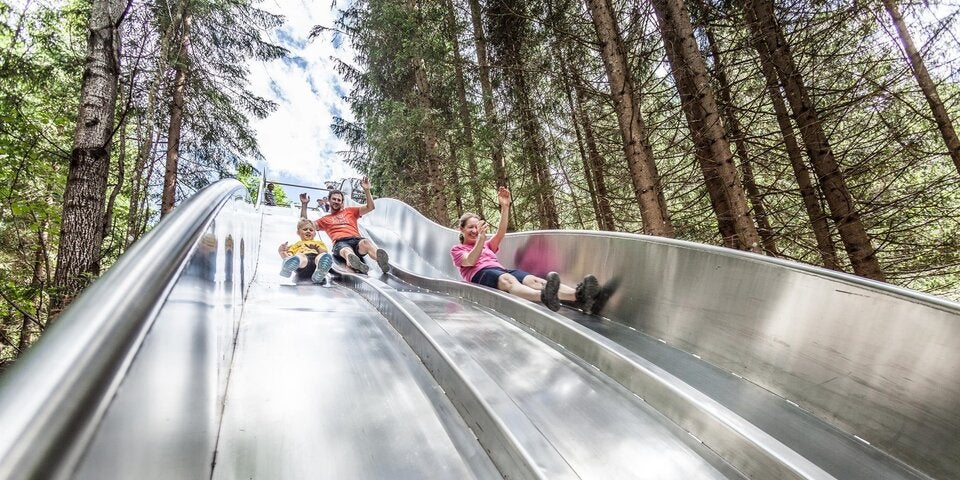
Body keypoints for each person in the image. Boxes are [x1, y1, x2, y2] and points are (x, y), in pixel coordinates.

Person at [451, 186, 600, 312]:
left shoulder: (487, 245)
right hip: (480, 274)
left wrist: (505, 207)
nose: (475, 231)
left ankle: (578, 296)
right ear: (461, 229)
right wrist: (481, 240)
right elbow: (470, 261)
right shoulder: (458, 249)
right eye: (470, 227)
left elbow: (501, 233)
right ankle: (542, 296)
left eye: (477, 227)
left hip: (499, 269)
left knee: (533, 280)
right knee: (508, 280)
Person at [299, 176, 389, 274]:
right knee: (346, 250)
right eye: (334, 199)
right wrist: (304, 205)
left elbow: (370, 207)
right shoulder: (325, 219)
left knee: (366, 242)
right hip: (340, 243)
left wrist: (367, 190)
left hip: (357, 241)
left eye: (339, 200)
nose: (336, 201)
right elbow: (305, 224)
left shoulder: (350, 211)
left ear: (342, 203)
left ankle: (380, 260)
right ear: (329, 200)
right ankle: (354, 262)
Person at [278, 218, 334, 284]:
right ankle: (287, 269)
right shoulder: (295, 245)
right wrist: (282, 252)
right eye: (305, 229)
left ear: (315, 234)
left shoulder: (319, 243)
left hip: (316, 263)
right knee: (300, 256)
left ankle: (320, 271)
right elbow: (289, 255)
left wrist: (316, 247)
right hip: (303, 265)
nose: (308, 231)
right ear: (298, 232)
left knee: (322, 256)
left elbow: (324, 252)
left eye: (311, 230)